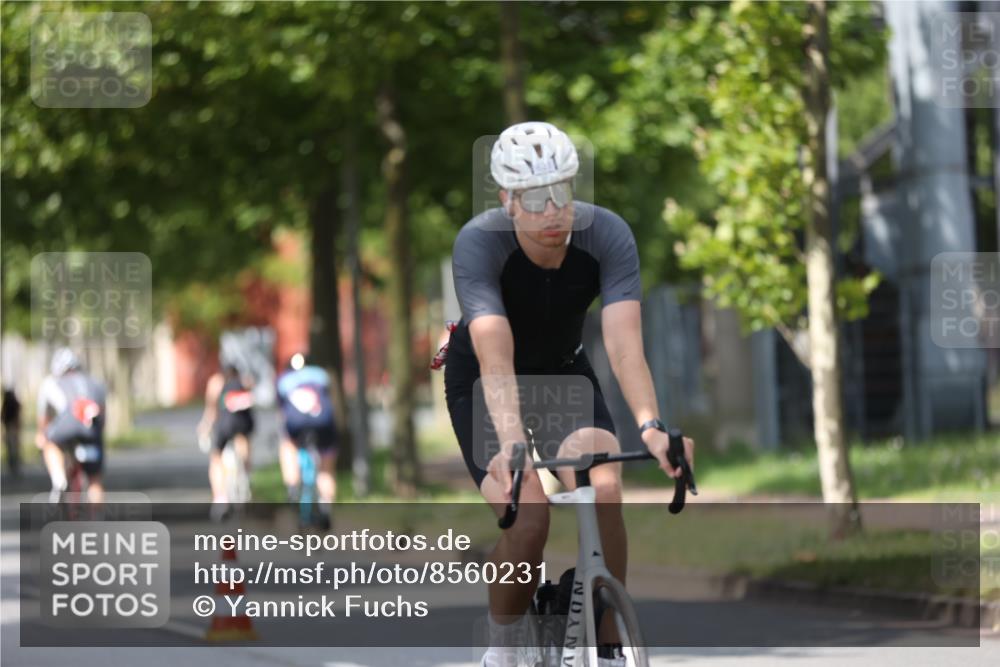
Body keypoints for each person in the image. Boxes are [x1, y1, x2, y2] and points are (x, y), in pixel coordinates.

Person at [443, 121, 695, 667]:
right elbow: (495, 357)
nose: (553, 208)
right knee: (529, 519)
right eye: (535, 197)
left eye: (563, 189)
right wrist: (513, 448)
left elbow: (625, 346)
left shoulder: (607, 234)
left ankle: (605, 643)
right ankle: (504, 647)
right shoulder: (478, 244)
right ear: (508, 199)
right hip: (487, 381)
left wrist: (652, 427)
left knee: (604, 485)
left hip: (564, 373)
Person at [36, 348, 107, 504]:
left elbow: (43, 418)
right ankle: (97, 519)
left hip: (68, 423)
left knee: (48, 441)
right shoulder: (95, 382)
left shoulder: (51, 382)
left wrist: (41, 434)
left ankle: (59, 480)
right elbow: (102, 415)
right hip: (92, 429)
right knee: (95, 480)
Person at [276, 352, 337, 527]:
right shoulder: (322, 375)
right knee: (326, 468)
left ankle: (292, 486)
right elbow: (332, 403)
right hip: (324, 423)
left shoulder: (284, 379)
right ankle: (326, 505)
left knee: (287, 445)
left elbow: (282, 413)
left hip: (296, 425)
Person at [198, 360, 255, 512]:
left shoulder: (216, 383)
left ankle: (220, 497)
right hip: (243, 425)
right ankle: (246, 476)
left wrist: (205, 427)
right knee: (243, 442)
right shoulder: (245, 381)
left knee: (216, 458)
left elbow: (211, 409)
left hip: (224, 426)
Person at [2, 386, 22, 477]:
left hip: (12, 427)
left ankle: (14, 464)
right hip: (11, 427)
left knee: (12, 447)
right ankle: (13, 464)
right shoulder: (10, 404)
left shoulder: (11, 404)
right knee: (12, 447)